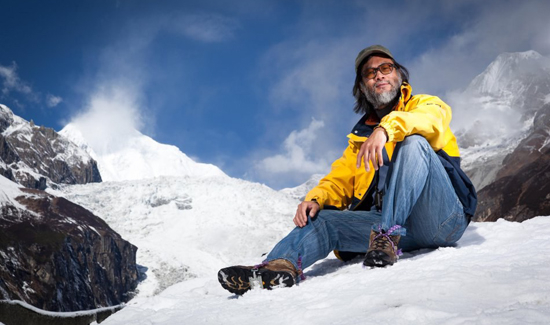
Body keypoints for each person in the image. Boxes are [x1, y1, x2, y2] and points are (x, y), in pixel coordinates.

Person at [218, 45, 477, 295]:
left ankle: (387, 234)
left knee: (414, 143)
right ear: (363, 88)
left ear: (398, 75)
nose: (379, 75)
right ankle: (276, 268)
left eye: (386, 68)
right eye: (370, 73)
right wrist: (316, 198)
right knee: (323, 219)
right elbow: (338, 180)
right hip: (392, 236)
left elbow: (429, 121)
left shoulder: (427, 105)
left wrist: (386, 130)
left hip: (439, 219)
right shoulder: (359, 141)